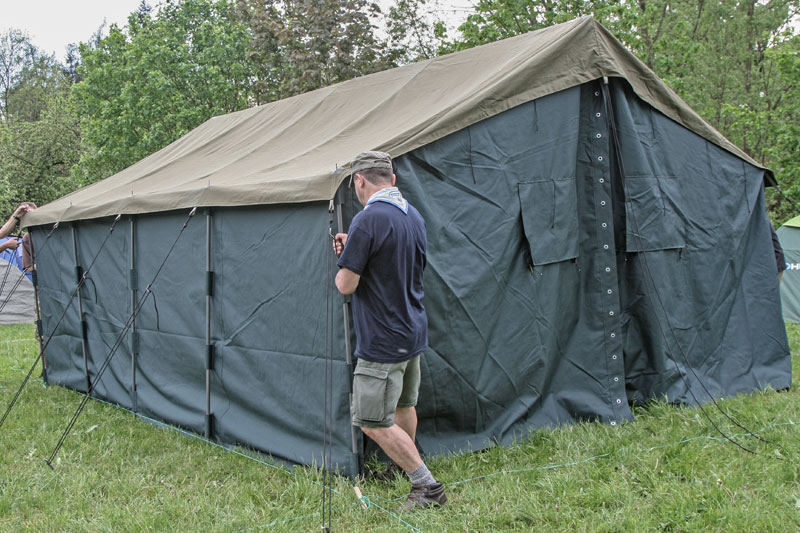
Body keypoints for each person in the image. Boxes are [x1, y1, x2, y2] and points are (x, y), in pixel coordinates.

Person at [334, 151, 446, 511]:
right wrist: (354, 246)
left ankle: (426, 486)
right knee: (404, 405)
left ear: (359, 181)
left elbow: (345, 285)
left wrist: (349, 254)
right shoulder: (412, 215)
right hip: (412, 330)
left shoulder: (368, 220)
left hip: (383, 338)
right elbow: (390, 263)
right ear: (392, 180)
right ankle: (402, 467)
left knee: (371, 421)